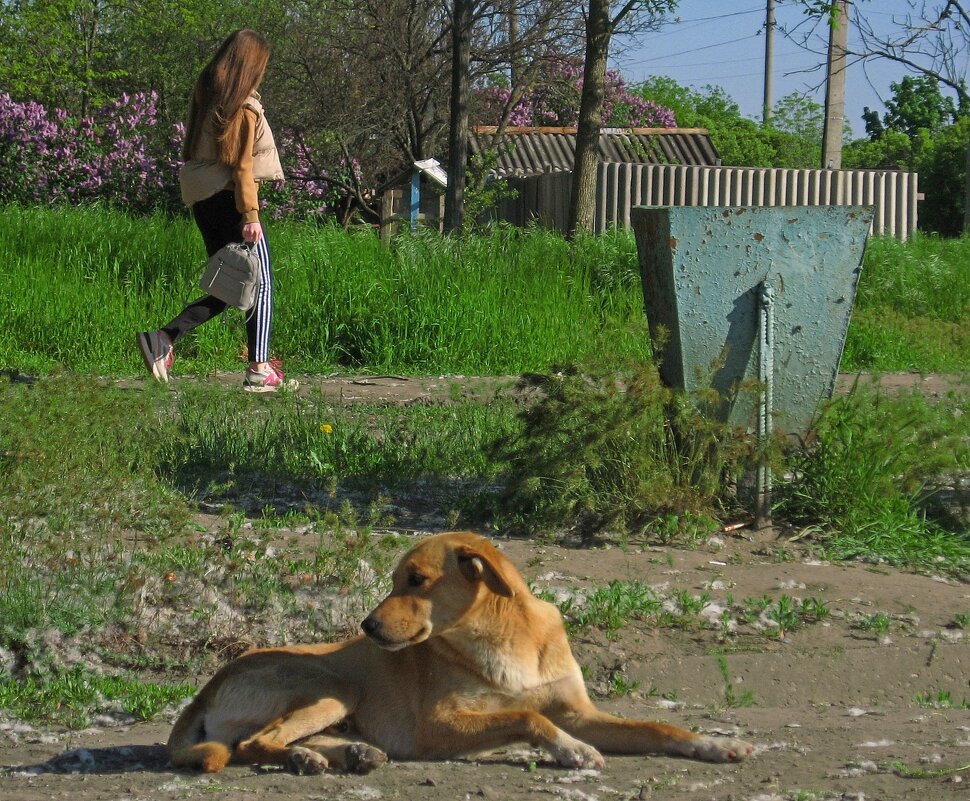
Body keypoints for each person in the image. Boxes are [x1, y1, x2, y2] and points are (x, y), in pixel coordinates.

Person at [137, 29, 295, 392]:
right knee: (261, 282)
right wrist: (251, 216)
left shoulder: (208, 98)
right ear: (251, 66)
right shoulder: (245, 107)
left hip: (205, 196)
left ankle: (165, 338)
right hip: (230, 197)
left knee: (232, 284)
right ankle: (259, 368)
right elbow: (242, 169)